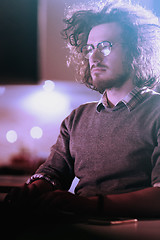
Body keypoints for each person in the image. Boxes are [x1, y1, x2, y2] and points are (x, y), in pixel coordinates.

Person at [5, 0, 160, 218]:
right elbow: (52, 174)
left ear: (137, 49)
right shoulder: (77, 118)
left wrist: (89, 206)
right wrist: (33, 190)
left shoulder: (157, 112)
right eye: (89, 48)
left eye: (105, 46)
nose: (94, 58)